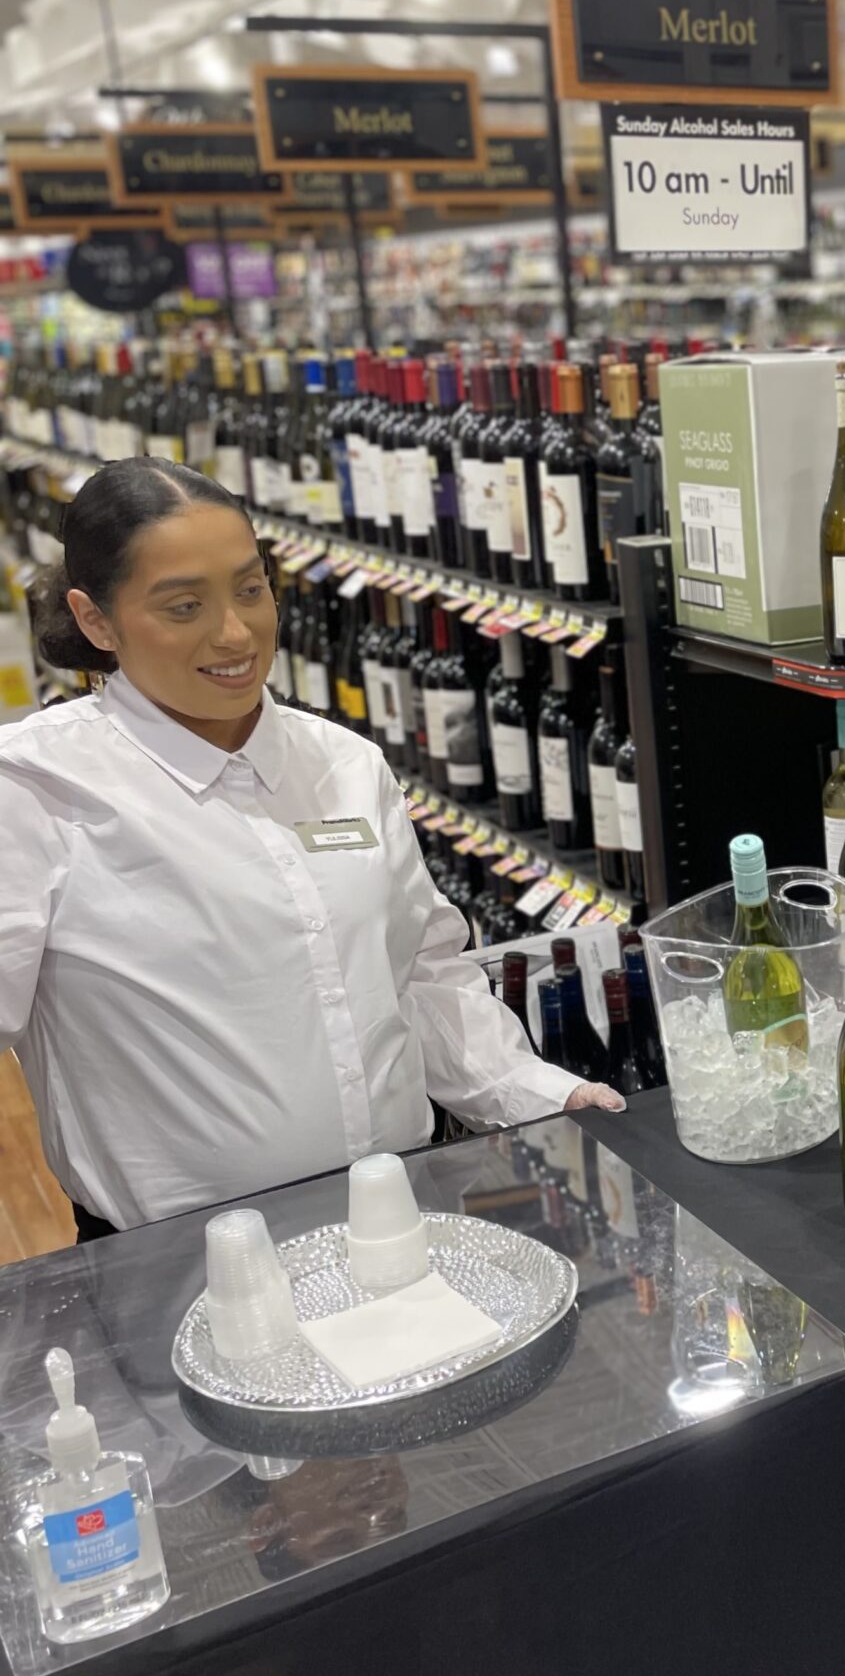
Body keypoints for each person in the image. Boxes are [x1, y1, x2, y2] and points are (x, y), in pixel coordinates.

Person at [3, 459, 619, 1235]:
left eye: (250, 589)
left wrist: (540, 1093)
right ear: (96, 621)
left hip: (405, 1217)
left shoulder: (345, 764)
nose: (235, 634)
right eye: (185, 606)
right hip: (182, 1261)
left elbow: (421, 977)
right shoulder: (34, 790)